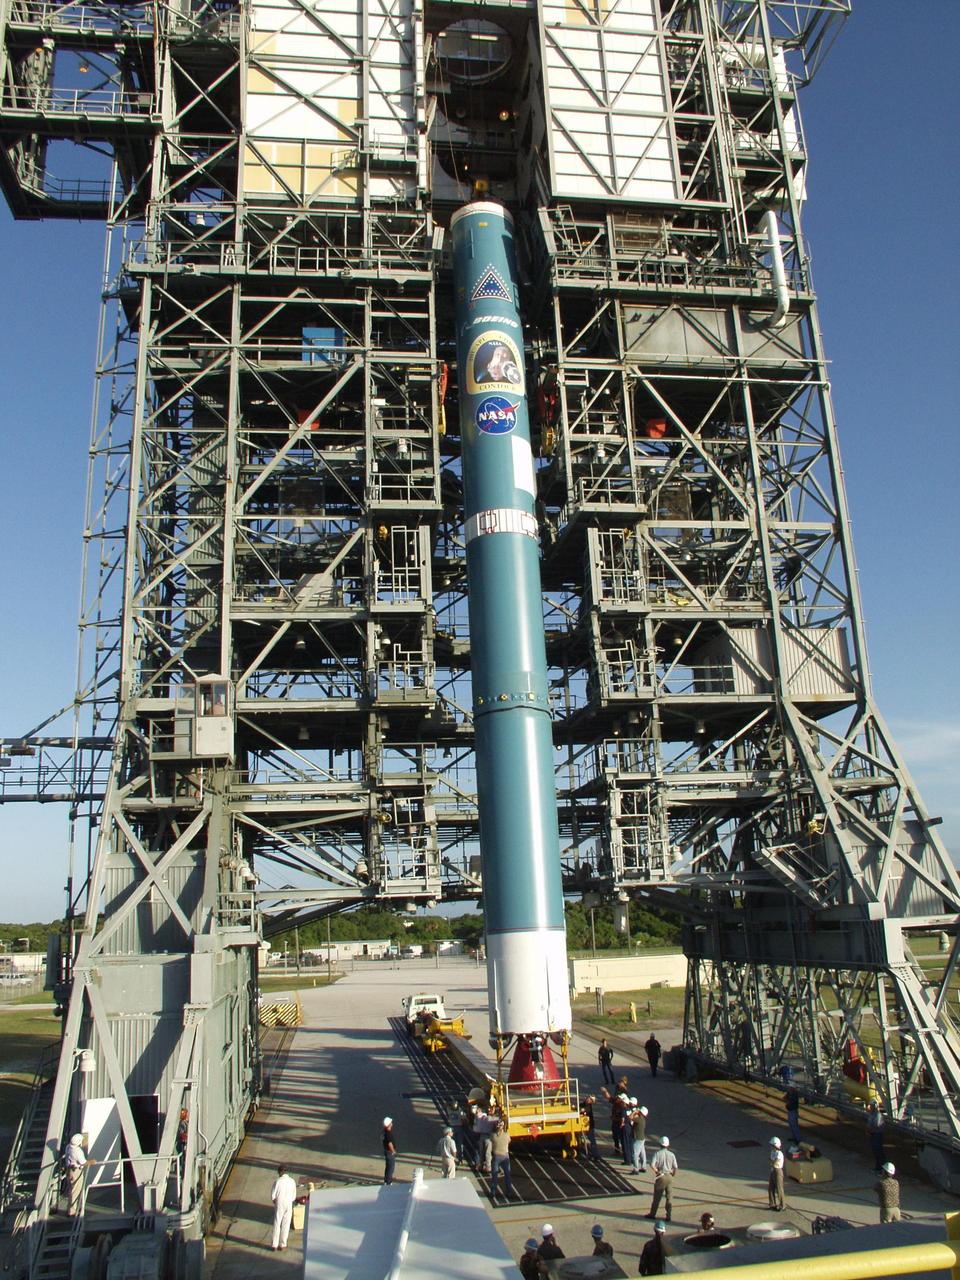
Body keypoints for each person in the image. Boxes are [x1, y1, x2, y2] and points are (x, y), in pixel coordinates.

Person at [647, 1136, 677, 1222]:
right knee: (669, 1197)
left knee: (657, 1197)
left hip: (661, 1176)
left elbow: (652, 1165)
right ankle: (669, 1215)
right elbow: (675, 1167)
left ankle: (653, 1214)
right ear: (668, 1145)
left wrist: (657, 1172)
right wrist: (673, 1175)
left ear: (660, 1144)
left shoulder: (657, 1154)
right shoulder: (672, 1154)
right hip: (669, 1176)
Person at [63, 1133, 91, 1218]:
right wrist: (92, 1162)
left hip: (69, 1170)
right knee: (75, 1191)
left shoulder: (68, 1147)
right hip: (76, 1171)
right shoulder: (77, 1151)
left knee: (72, 1190)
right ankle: (72, 1212)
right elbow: (83, 1163)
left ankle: (71, 1209)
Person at [270, 1164, 298, 1251]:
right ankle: (282, 1244)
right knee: (286, 1224)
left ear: (280, 1172)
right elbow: (294, 1196)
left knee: (277, 1222)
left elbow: (273, 1196)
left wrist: (275, 1202)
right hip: (289, 1203)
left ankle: (274, 1244)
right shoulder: (292, 1181)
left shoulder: (277, 1181)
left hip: (280, 1202)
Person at [489, 1119, 513, 1200]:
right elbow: (509, 1141)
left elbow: (491, 1140)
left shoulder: (493, 1136)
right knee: (507, 1175)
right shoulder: (507, 1135)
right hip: (505, 1156)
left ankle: (493, 1192)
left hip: (496, 1156)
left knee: (494, 1175)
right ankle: (509, 1192)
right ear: (503, 1127)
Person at [866, 1101, 886, 1172]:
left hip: (877, 1135)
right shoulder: (872, 1114)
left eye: (871, 1105)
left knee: (878, 1151)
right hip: (873, 1134)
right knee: (876, 1152)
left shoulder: (877, 1115)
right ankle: (878, 1167)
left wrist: (870, 1130)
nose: (870, 1107)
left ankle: (881, 1168)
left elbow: (877, 1126)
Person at [768, 1136, 785, 1211]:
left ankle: (782, 1205)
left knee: (779, 1189)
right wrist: (771, 1162)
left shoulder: (779, 1154)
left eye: (772, 1145)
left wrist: (771, 1162)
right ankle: (772, 1204)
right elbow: (771, 1162)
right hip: (773, 1170)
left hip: (778, 1171)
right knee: (770, 1188)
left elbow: (774, 1163)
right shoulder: (772, 1152)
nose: (771, 1147)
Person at [582, 1095, 600, 1159]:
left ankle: (595, 1155)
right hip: (586, 1125)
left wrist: (582, 1112)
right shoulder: (584, 1104)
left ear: (591, 1101)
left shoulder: (588, 1107)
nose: (588, 1099)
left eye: (590, 1099)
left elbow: (584, 1113)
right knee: (590, 1140)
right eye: (588, 1098)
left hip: (589, 1126)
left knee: (592, 1140)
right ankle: (593, 1153)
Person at [632, 1104, 649, 1173]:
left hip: (638, 1138)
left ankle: (636, 1169)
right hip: (642, 1138)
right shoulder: (642, 1119)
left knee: (635, 1154)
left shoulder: (639, 1119)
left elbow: (630, 1117)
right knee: (642, 1153)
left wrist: (634, 1112)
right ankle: (643, 1167)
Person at [382, 1117, 397, 1185]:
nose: (392, 1123)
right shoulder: (388, 1134)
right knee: (391, 1167)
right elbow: (390, 1144)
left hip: (386, 1151)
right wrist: (393, 1151)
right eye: (391, 1123)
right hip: (389, 1152)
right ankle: (389, 1182)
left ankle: (386, 1180)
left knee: (388, 1166)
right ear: (389, 1125)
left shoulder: (385, 1132)